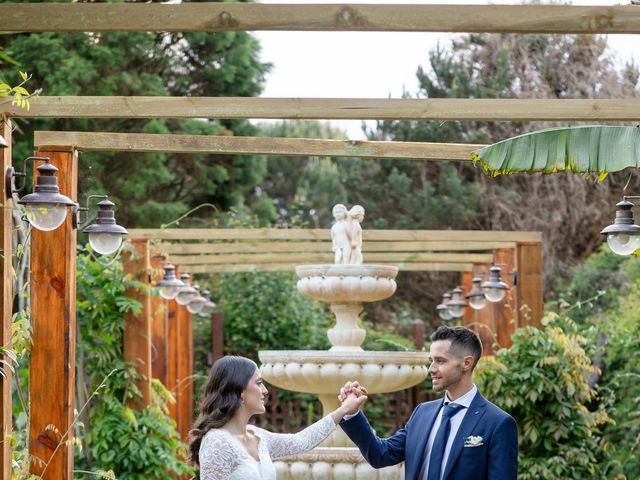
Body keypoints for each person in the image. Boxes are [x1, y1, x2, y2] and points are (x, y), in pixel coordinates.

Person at [338, 326, 518, 480]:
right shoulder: (422, 413)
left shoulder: (498, 423)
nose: (431, 369)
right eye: (431, 361)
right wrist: (351, 413)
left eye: (440, 361)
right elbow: (380, 455)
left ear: (466, 363)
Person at [189, 355, 366, 479]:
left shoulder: (258, 436)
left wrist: (343, 409)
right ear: (240, 391)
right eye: (258, 383)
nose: (265, 391)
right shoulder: (217, 441)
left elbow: (300, 442)